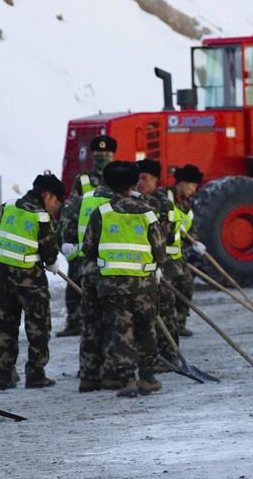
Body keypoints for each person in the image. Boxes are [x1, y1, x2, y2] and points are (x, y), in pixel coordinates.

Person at [81, 161, 165, 397]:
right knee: (147, 329)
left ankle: (126, 380)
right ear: (133, 183)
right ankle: (147, 377)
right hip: (143, 284)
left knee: (120, 332)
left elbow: (88, 248)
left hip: (112, 285)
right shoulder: (148, 212)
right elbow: (160, 250)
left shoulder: (101, 213)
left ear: (107, 184)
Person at [0, 173, 63, 389]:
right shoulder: (42, 217)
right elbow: (48, 249)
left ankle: (3, 375)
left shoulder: (7, 206)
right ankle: (35, 374)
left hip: (2, 278)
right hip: (30, 280)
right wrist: (52, 261)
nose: (55, 206)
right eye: (56, 200)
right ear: (47, 195)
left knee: (4, 326)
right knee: (38, 327)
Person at [58, 134, 117, 336]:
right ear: (93, 155)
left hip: (110, 240)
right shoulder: (83, 180)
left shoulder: (119, 175)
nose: (103, 156)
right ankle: (74, 322)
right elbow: (71, 210)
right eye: (99, 153)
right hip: (83, 243)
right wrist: (68, 240)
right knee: (75, 281)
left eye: (107, 153)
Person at [61, 174, 114, 392]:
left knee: (92, 323)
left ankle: (90, 374)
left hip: (88, 266)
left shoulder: (86, 197)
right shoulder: (121, 201)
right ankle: (111, 373)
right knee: (112, 321)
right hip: (111, 271)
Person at [134, 159, 180, 362]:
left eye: (144, 178)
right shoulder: (134, 201)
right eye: (137, 178)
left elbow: (162, 237)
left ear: (155, 180)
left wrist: (158, 264)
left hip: (164, 267)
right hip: (143, 268)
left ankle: (170, 356)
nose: (139, 183)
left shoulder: (163, 204)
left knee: (166, 312)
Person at [167, 164, 205, 336]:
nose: (193, 189)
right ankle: (166, 327)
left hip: (179, 256)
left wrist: (195, 243)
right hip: (164, 256)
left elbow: (190, 230)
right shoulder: (164, 197)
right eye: (191, 185)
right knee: (166, 294)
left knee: (187, 286)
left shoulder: (187, 207)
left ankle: (179, 323)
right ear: (181, 183)